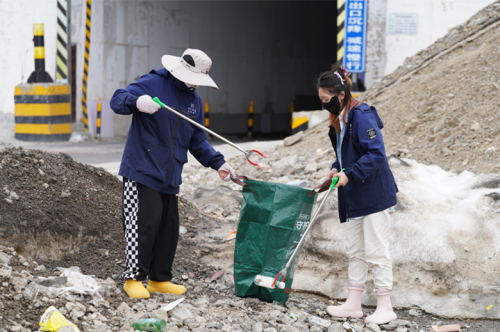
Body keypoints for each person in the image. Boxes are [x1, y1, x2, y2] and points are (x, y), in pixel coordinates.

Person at [110, 48, 235, 299]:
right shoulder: (153, 82)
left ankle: (159, 279)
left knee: (168, 228)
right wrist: (136, 102)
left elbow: (197, 139)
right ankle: (133, 278)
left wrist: (218, 163)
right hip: (142, 169)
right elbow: (118, 99)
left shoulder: (194, 100)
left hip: (170, 174)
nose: (197, 84)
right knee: (144, 224)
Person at [317, 64, 398, 325]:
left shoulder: (361, 115)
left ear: (340, 95)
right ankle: (353, 304)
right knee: (355, 250)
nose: (323, 105)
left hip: (372, 193)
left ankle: (385, 307)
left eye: (326, 100)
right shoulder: (340, 117)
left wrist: (349, 173)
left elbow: (376, 154)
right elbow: (346, 152)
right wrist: (335, 168)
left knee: (377, 250)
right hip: (353, 195)